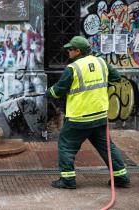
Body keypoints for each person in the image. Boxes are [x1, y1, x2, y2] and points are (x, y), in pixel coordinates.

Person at [46, 36, 130, 189]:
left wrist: (48, 93)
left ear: (78, 51)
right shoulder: (101, 62)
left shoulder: (73, 68)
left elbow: (58, 91)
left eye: (70, 49)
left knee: (66, 146)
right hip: (99, 116)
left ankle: (67, 180)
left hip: (78, 118)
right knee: (107, 148)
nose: (68, 52)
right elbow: (116, 78)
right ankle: (121, 178)